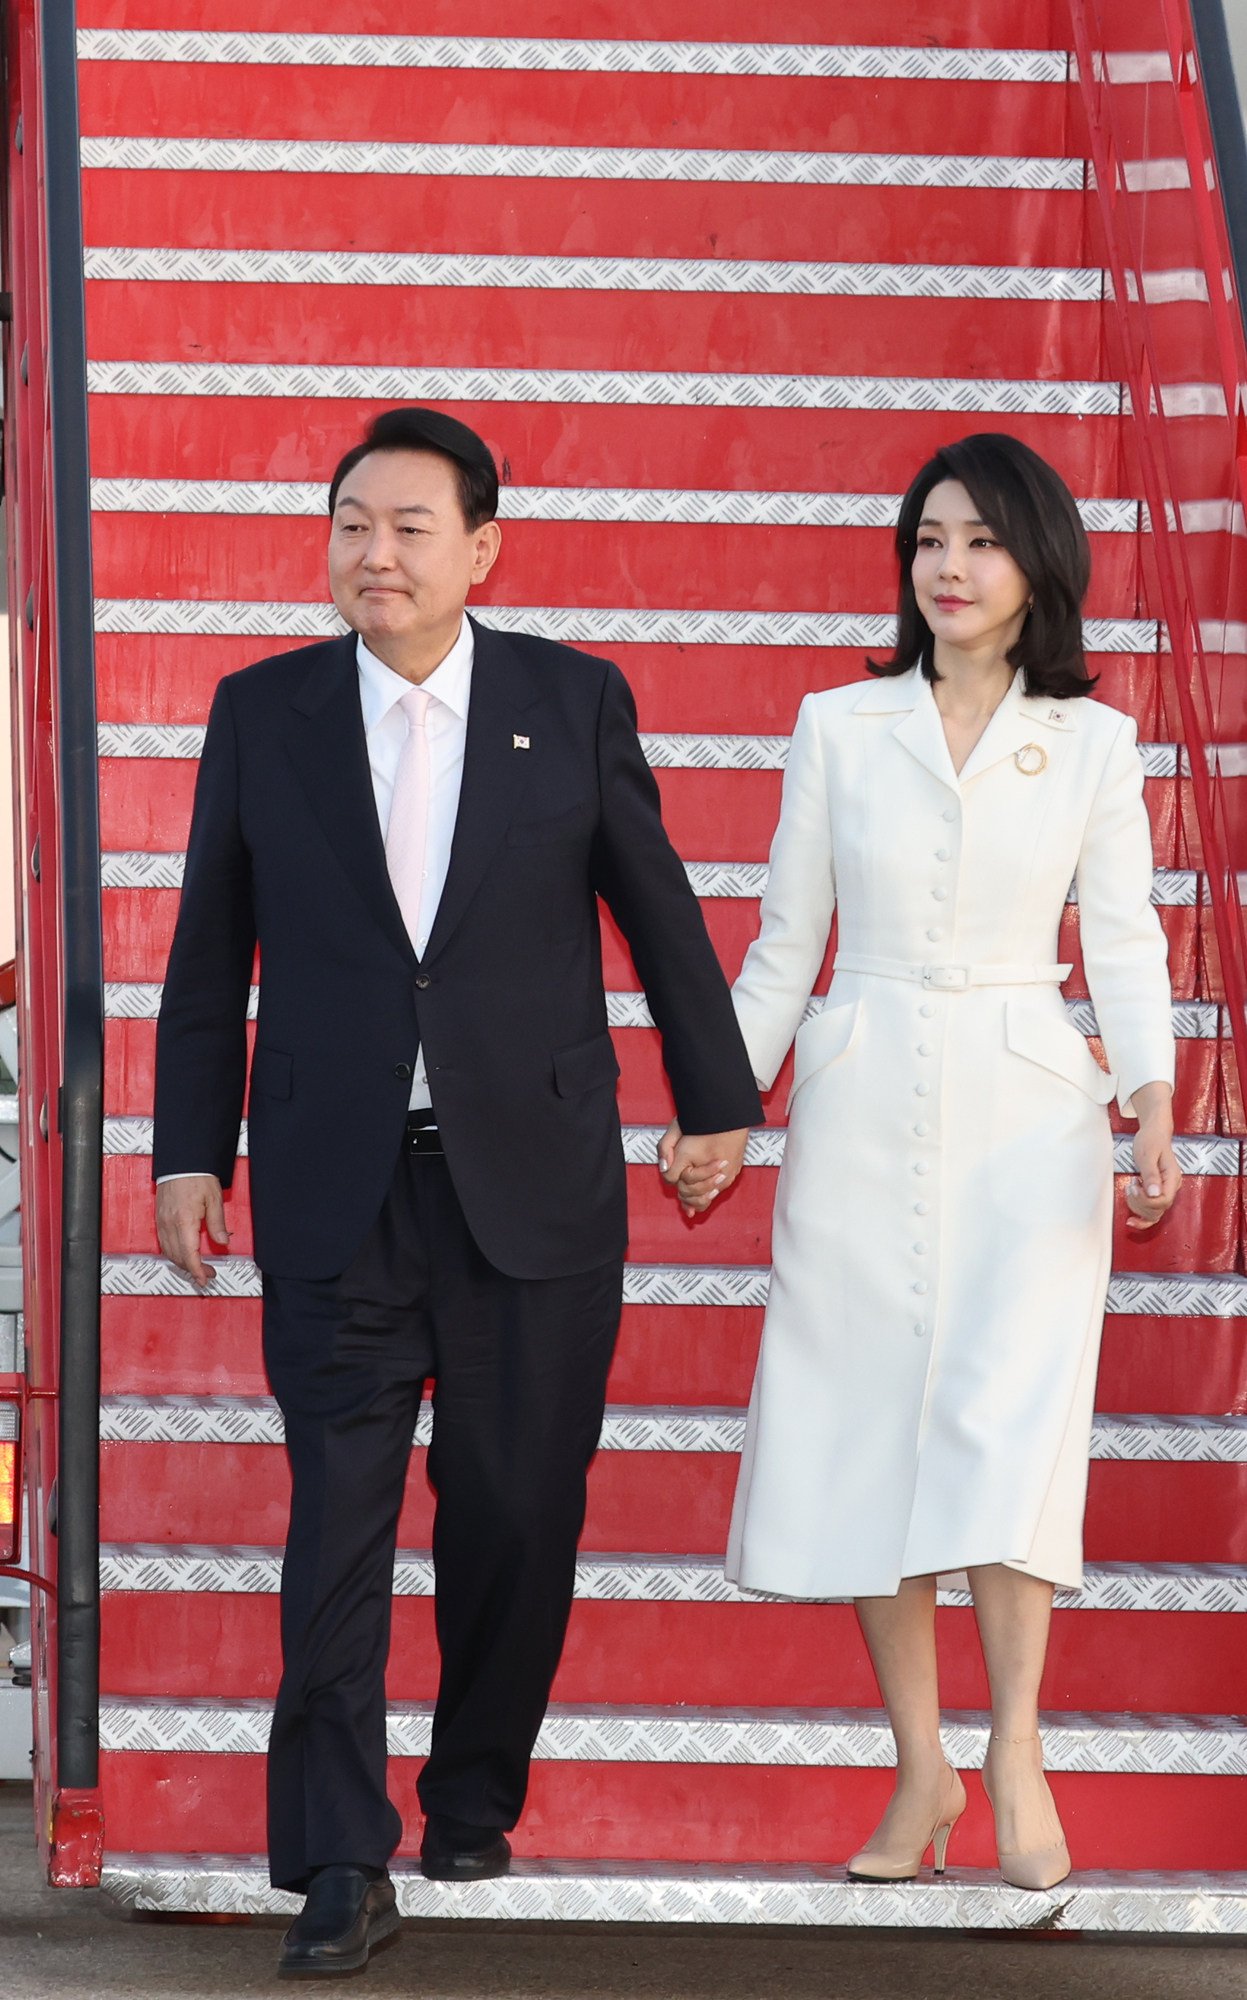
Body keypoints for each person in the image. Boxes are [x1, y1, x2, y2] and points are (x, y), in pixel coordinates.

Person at [153, 405, 761, 1977]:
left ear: (481, 548)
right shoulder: (264, 711)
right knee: (339, 1529)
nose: (376, 551)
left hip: (533, 1188)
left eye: (411, 526)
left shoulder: (570, 700)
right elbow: (212, 947)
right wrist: (184, 1149)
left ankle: (476, 1782)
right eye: (353, 521)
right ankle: (339, 1859)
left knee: (512, 1511)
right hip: (333, 1186)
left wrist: (717, 1100)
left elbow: (659, 904)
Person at [661, 433, 1180, 1892]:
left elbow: (1126, 935)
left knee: (1010, 1435)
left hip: (1029, 1113)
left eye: (982, 543)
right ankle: (921, 1766)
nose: (948, 568)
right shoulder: (839, 724)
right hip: (863, 1089)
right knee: (874, 1439)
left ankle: (1016, 1747)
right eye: (929, 540)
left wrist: (1149, 1093)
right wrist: (720, 1102)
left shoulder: (1093, 743)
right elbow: (782, 945)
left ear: (1039, 569)